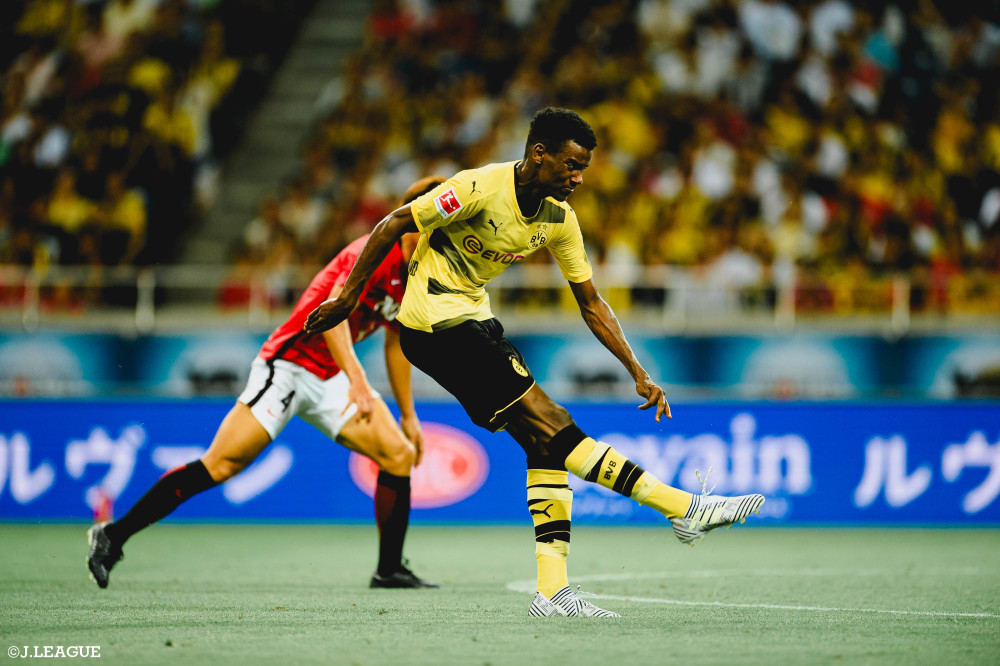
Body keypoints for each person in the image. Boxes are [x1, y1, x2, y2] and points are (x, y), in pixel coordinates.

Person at [304, 108, 765, 617]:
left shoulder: (560, 220)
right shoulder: (477, 188)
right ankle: (683, 507)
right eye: (571, 165)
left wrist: (638, 371)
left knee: (542, 444)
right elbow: (394, 222)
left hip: (474, 321)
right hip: (434, 325)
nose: (579, 177)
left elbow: (592, 303)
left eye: (583, 168)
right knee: (555, 422)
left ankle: (552, 591)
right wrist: (347, 299)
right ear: (539, 154)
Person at [86, 177, 447, 590]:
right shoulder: (372, 251)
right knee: (221, 464)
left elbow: (396, 342)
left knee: (398, 454)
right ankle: (113, 535)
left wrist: (408, 415)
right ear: (416, 220)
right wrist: (359, 382)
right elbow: (333, 318)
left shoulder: (418, 272)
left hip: (332, 375)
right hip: (289, 366)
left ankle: (389, 570)